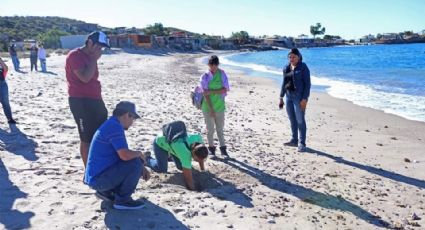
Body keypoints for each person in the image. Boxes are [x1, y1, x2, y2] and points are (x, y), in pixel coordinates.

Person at [84, 101, 150, 210]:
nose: (132, 122)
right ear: (126, 115)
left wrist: (141, 167)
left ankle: (106, 192)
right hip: (99, 180)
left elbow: (122, 155)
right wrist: (139, 154)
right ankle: (123, 201)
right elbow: (125, 156)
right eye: (132, 118)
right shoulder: (114, 127)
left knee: (136, 162)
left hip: (96, 178)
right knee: (136, 162)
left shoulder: (111, 123)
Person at [65, 31, 110, 167]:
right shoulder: (75, 56)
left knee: (101, 135)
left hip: (96, 100)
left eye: (102, 48)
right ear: (90, 42)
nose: (100, 50)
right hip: (80, 102)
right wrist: (94, 59)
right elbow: (85, 78)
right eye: (98, 46)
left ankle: (99, 164)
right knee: (86, 138)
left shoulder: (90, 56)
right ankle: (88, 171)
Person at [146, 122, 209, 191]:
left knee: (181, 167)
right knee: (162, 169)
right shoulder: (185, 154)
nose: (198, 161)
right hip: (160, 143)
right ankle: (147, 158)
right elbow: (188, 178)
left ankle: (169, 156)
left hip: (174, 145)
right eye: (196, 159)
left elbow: (201, 156)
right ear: (192, 153)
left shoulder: (198, 140)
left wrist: (202, 170)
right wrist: (193, 190)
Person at [279, 48, 311, 152]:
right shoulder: (286, 68)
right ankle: (294, 140)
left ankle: (302, 143)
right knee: (292, 119)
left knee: (300, 120)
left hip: (299, 97)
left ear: (299, 57)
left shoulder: (303, 67)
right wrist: (281, 97)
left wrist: (304, 99)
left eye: (294, 57)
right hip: (288, 97)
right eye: (290, 57)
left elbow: (307, 84)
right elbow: (284, 83)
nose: (291, 58)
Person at [199, 55, 230, 157]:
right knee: (210, 129)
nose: (212, 68)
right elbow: (205, 94)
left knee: (220, 129)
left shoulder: (222, 74)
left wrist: (211, 91)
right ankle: (211, 149)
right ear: (208, 64)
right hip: (207, 107)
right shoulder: (205, 76)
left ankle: (223, 149)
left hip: (220, 106)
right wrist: (211, 109)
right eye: (211, 65)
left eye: (214, 65)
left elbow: (225, 89)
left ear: (217, 65)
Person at [0, 58, 17, 124]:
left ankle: (10, 119)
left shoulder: (1, 64)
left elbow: (6, 69)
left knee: (5, 103)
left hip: (2, 84)